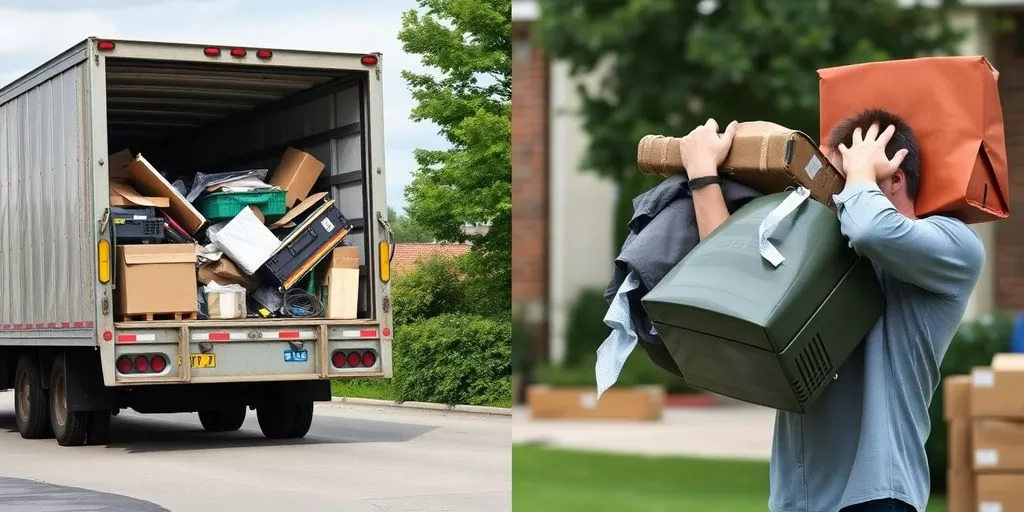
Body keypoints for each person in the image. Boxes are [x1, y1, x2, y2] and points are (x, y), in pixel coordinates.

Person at [678, 109, 985, 512]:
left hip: (876, 493)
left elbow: (871, 229)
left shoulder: (953, 245)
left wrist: (858, 174)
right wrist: (704, 177)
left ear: (895, 178)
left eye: (838, 181)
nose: (829, 196)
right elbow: (736, 287)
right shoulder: (824, 248)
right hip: (796, 497)